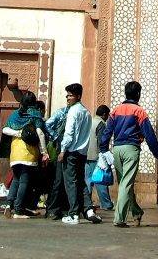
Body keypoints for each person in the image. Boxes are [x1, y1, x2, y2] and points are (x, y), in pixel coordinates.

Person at [100, 80, 158, 228]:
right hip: (131, 149)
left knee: (124, 183)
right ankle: (119, 219)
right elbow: (149, 135)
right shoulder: (139, 111)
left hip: (117, 148)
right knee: (126, 184)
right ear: (138, 94)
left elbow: (107, 132)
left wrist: (103, 149)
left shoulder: (115, 110)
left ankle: (136, 212)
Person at [56, 83, 101, 225]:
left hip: (71, 152)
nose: (67, 98)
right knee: (80, 182)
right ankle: (88, 210)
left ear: (78, 96)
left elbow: (69, 134)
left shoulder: (73, 112)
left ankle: (74, 214)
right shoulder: (87, 113)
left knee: (71, 183)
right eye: (67, 95)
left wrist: (63, 150)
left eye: (70, 95)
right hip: (82, 153)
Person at [2, 92, 49, 218]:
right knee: (24, 181)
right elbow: (40, 133)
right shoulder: (35, 115)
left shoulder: (15, 114)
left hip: (15, 153)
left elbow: (5, 130)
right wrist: (44, 152)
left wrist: (17, 133)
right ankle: (17, 210)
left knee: (16, 180)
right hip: (28, 153)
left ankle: (8, 204)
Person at [86, 105, 113, 211]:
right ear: (104, 114)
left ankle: (86, 203)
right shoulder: (101, 123)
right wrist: (105, 155)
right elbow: (102, 141)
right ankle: (106, 203)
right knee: (100, 180)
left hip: (87, 154)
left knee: (88, 180)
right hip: (96, 155)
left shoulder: (91, 122)